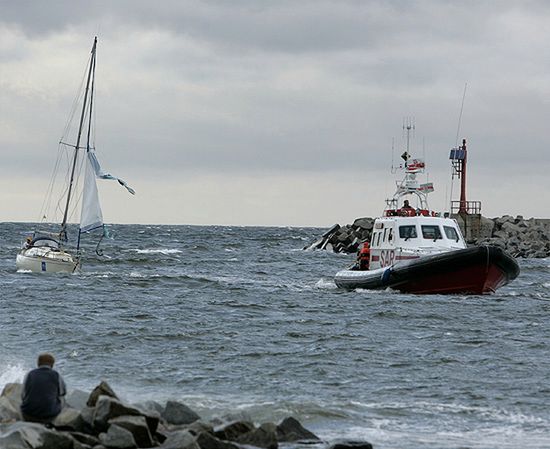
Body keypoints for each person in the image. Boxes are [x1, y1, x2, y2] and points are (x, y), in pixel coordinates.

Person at [20, 353, 66, 424]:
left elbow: (23, 395)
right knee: (62, 398)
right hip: (49, 416)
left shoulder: (30, 374)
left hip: (28, 414)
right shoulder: (56, 375)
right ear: (52, 364)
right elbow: (63, 392)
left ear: (38, 363)